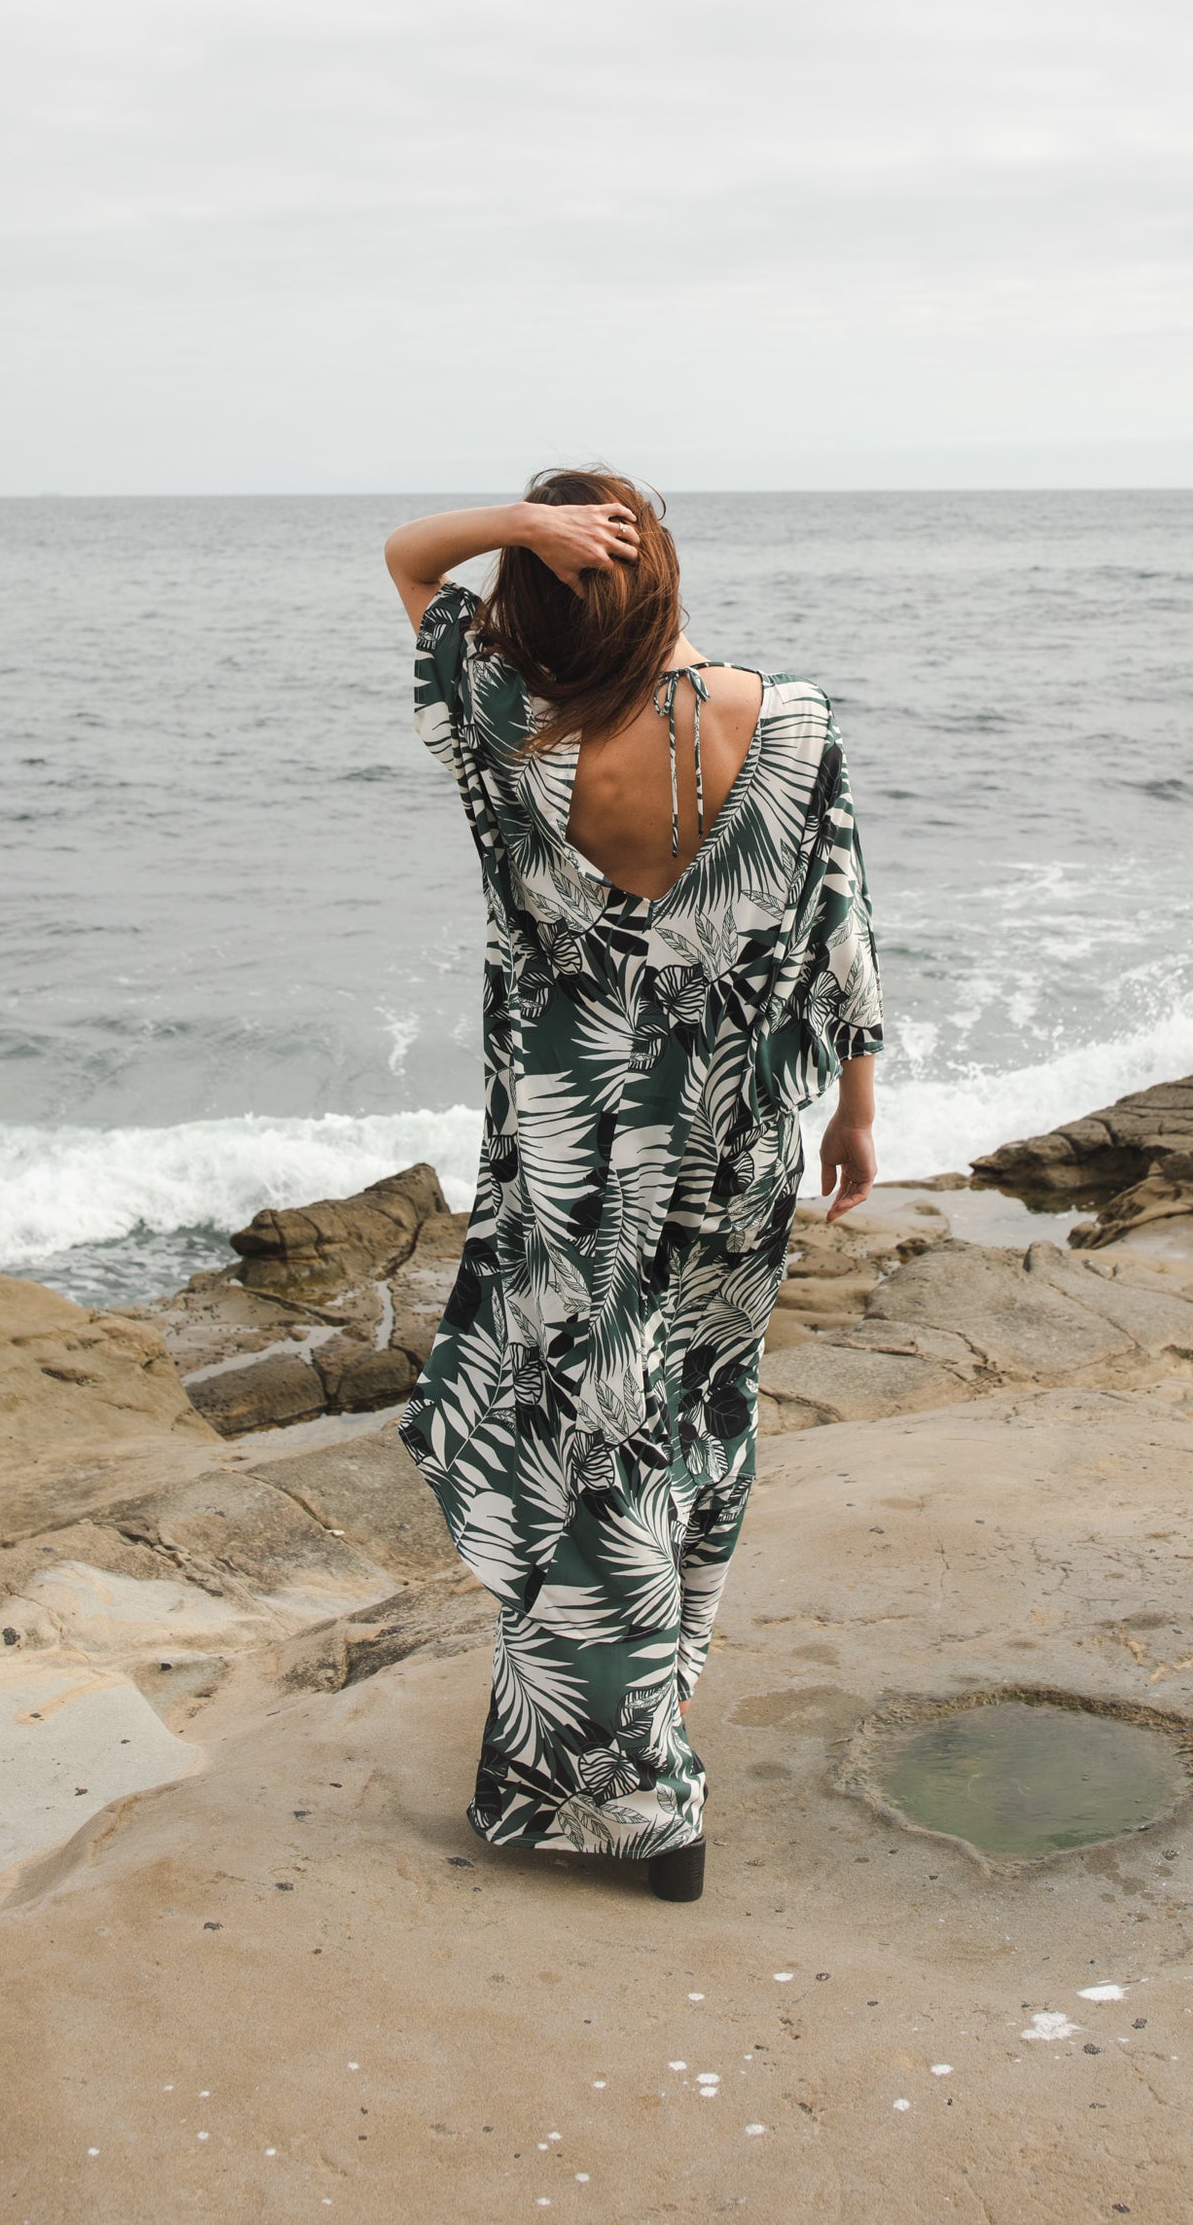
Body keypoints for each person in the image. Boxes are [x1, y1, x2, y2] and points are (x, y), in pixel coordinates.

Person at [383, 468, 883, 1902]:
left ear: (532, 593)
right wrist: (856, 1104)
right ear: (665, 571)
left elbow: (407, 555)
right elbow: (837, 914)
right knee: (683, 1418)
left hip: (565, 1140)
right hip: (729, 1138)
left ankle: (628, 1788)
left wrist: (516, 529)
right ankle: (638, 1747)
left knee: (591, 1435)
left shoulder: (508, 722)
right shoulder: (783, 720)